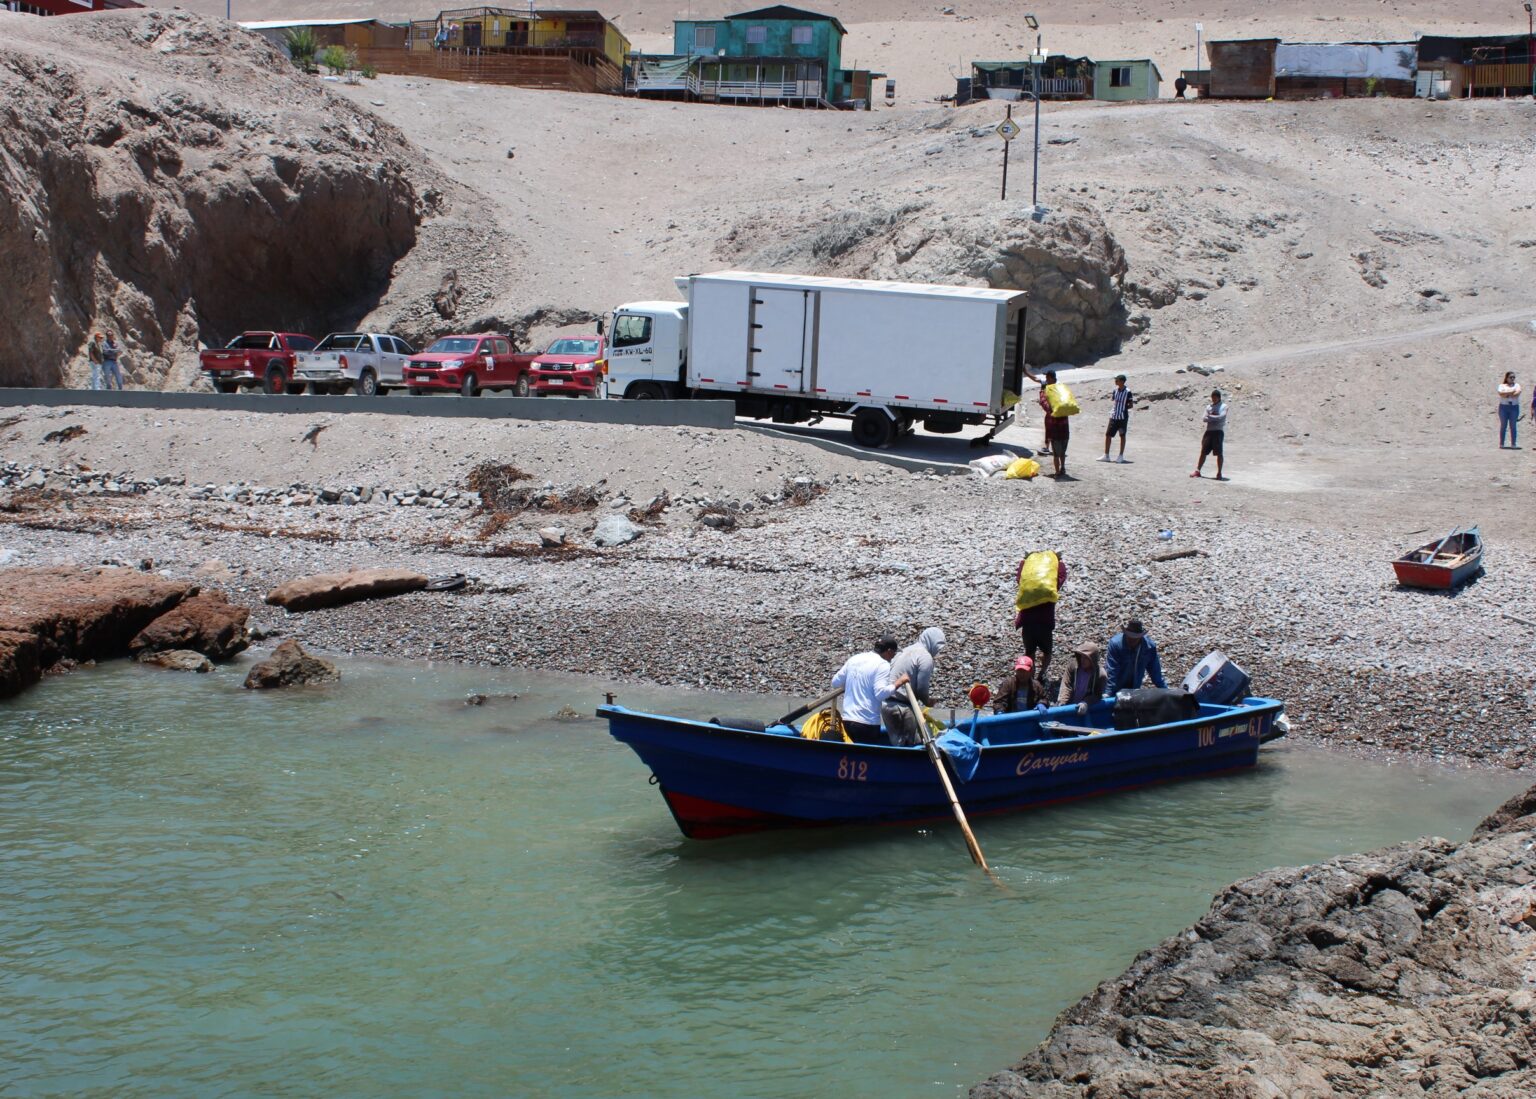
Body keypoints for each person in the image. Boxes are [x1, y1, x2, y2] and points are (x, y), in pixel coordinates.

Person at [829, 636, 909, 746]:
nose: (893, 657)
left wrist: (853, 684)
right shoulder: (882, 664)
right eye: (894, 654)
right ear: (889, 651)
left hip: (848, 720)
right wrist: (899, 682)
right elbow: (881, 694)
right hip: (867, 723)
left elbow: (835, 682)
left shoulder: (855, 658)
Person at [880, 627, 945, 747]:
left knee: (897, 745)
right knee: (910, 745)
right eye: (938, 647)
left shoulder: (905, 650)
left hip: (886, 705)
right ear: (932, 643)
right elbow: (921, 688)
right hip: (901, 707)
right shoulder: (925, 657)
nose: (937, 652)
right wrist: (928, 701)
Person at [1014, 551, 1066, 679]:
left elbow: (1020, 577)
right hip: (1044, 624)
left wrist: (1023, 561)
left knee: (1029, 651)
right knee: (1047, 652)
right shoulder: (1051, 585)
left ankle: (1029, 675)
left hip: (1028, 624)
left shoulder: (1027, 584)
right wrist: (1059, 562)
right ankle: (1042, 674)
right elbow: (1061, 576)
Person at [1103, 620, 1166, 698]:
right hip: (1116, 687)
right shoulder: (1116, 644)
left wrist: (1166, 691)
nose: (1131, 640)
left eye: (1134, 638)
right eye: (1129, 637)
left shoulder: (1149, 647)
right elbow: (1112, 670)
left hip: (1134, 689)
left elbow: (1155, 672)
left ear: (1140, 637)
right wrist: (1108, 693)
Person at [1034, 369, 1069, 477]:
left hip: (1056, 429)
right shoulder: (1062, 396)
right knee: (1062, 451)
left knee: (1055, 454)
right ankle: (1063, 468)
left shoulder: (1052, 402)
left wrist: (1041, 394)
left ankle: (1057, 472)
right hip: (1065, 428)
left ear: (1051, 378)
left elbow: (1046, 407)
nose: (1046, 380)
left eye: (1047, 378)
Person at [1056, 641, 1104, 714]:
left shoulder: (1100, 674)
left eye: (1086, 658)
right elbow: (1066, 685)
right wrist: (1062, 701)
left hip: (1086, 707)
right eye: (1081, 656)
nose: (1082, 660)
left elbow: (1097, 695)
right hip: (1070, 704)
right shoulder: (1072, 666)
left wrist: (1086, 702)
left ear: (1092, 659)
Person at [1191, 388, 1226, 479]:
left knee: (1219, 453)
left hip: (1218, 432)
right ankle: (1198, 471)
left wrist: (1210, 416)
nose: (1213, 400)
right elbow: (1204, 418)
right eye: (1212, 398)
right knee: (1203, 452)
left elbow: (1221, 417)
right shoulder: (1209, 407)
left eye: (1215, 398)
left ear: (1219, 398)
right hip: (1209, 432)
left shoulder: (1224, 406)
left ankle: (1219, 473)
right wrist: (1214, 417)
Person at [1100, 373, 1132, 463]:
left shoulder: (1128, 392)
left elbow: (1131, 405)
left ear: (1122, 381)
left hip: (1122, 417)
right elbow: (1114, 401)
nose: (1115, 381)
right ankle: (1106, 455)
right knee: (1108, 435)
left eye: (1117, 380)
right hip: (1114, 416)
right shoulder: (1115, 390)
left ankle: (1120, 455)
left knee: (1122, 435)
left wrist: (1123, 407)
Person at [1498, 371, 1521, 449]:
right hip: (1503, 407)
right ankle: (1502, 443)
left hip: (1514, 407)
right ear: (1506, 378)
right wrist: (1511, 392)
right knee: (1503, 425)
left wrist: (1506, 393)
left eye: (1513, 377)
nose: (1512, 379)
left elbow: (1517, 394)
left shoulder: (1517, 385)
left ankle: (1513, 443)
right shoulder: (1502, 385)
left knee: (1513, 426)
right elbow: (1501, 393)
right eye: (1511, 377)